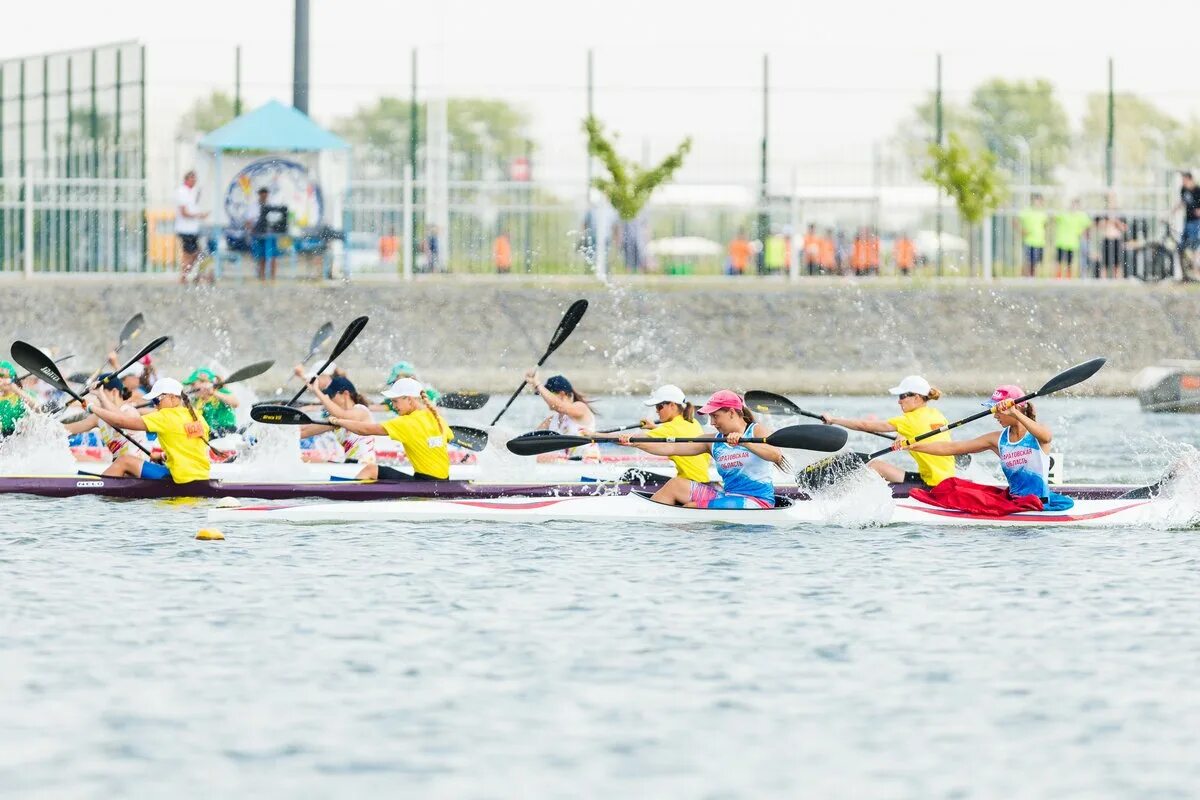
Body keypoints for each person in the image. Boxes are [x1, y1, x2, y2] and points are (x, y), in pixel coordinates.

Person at [900, 384, 1073, 511]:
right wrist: (912, 446)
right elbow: (952, 447)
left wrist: (1014, 412)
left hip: (1038, 503)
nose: (995, 415)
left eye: (997, 409)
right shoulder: (996, 439)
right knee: (952, 486)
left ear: (1017, 407)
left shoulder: (1037, 434)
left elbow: (1047, 437)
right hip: (1013, 502)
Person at [614, 390, 783, 508]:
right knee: (675, 485)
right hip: (728, 496)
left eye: (715, 416)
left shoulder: (756, 430)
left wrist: (745, 442)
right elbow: (670, 447)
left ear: (732, 412)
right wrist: (635, 442)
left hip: (757, 501)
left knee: (692, 507)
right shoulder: (712, 441)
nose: (712, 423)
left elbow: (776, 456)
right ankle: (647, 527)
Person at [820, 375, 954, 487]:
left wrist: (833, 420)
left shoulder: (908, 420)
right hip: (946, 480)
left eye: (902, 396)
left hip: (931, 485)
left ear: (916, 397)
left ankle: (846, 497)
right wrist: (901, 436)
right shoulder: (937, 415)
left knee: (874, 466)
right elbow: (913, 429)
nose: (899, 401)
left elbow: (864, 425)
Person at [84, 377, 211, 483]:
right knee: (131, 468)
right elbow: (190, 448)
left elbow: (120, 422)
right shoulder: (197, 416)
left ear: (172, 397)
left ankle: (96, 490)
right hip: (201, 476)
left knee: (124, 460)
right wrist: (163, 455)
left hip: (178, 478)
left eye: (156, 400)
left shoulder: (165, 416)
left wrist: (92, 407)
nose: (155, 405)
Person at [327, 377, 453, 480]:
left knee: (371, 470)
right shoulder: (437, 418)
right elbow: (448, 438)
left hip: (425, 485)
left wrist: (338, 421)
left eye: (395, 401)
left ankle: (346, 496)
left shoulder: (406, 422)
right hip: (442, 482)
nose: (393, 406)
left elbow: (365, 430)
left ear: (409, 399)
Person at [587, 384, 711, 482]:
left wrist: (594, 435)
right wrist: (653, 427)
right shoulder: (691, 421)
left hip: (691, 484)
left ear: (672, 406)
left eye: (659, 407)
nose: (657, 411)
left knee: (632, 475)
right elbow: (675, 433)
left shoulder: (670, 427)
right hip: (701, 480)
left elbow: (633, 439)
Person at [298, 376, 378, 480]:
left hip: (366, 469)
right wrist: (279, 429)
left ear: (345, 394)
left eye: (331, 395)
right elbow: (304, 431)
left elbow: (342, 415)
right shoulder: (336, 420)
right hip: (349, 467)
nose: (329, 400)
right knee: (302, 459)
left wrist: (317, 391)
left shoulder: (361, 411)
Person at [525, 371, 598, 460]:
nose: (544, 399)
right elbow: (530, 440)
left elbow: (560, 407)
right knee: (540, 458)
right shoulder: (551, 421)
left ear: (562, 394)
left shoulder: (580, 407)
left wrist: (537, 384)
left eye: (548, 394)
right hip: (567, 466)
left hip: (588, 464)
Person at [176, 170, 209, 285]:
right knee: (191, 253)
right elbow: (184, 212)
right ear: (186, 179)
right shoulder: (182, 192)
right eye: (192, 179)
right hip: (185, 228)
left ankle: (186, 275)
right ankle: (184, 276)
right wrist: (199, 215)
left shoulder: (192, 192)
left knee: (194, 253)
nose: (194, 181)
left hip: (192, 228)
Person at [184, 367, 239, 437]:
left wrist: (214, 392)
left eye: (193, 384)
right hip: (210, 436)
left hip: (228, 433)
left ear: (205, 383)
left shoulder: (221, 392)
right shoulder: (195, 401)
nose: (191, 388)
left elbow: (236, 403)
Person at [1053, 199, 1092, 279]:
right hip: (1061, 241)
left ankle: (1068, 277)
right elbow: (1054, 217)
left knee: (1069, 263)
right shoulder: (1064, 214)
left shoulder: (1081, 216)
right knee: (1059, 262)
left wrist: (1082, 232)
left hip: (1072, 243)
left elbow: (1089, 224)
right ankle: (1058, 278)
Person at [246, 187, 279, 281]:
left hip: (270, 233)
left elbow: (276, 220)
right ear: (259, 195)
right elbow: (248, 222)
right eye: (262, 194)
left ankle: (273, 278)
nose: (264, 196)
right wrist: (252, 228)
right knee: (262, 257)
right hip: (258, 234)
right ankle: (262, 277)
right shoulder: (253, 207)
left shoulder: (271, 206)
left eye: (266, 194)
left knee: (273, 256)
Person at [1172, 171, 1200, 274]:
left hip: (1196, 222)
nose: (1183, 182)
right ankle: (1185, 273)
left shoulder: (1198, 191)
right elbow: (1182, 202)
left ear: (1190, 179)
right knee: (1181, 246)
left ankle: (1196, 271)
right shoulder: (1183, 190)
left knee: (1194, 246)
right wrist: (1172, 212)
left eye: (1184, 180)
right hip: (1187, 221)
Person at [1096, 195, 1127, 279]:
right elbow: (1099, 226)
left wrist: (1116, 222)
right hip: (1106, 239)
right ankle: (1103, 281)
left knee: (1117, 264)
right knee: (1104, 263)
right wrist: (1108, 221)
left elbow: (1124, 228)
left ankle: (1118, 281)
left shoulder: (1120, 214)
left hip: (1116, 239)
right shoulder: (1103, 213)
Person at [1017, 194, 1048, 278]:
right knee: (1028, 261)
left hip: (1040, 241)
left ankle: (1033, 277)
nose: (1037, 203)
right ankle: (1026, 277)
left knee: (1036, 262)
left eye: (1039, 201)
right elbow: (1016, 221)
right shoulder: (1026, 211)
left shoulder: (1043, 212)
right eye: (1036, 200)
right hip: (1029, 240)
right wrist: (1022, 231)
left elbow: (1046, 224)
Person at [0, 360, 32, 435]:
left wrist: (15, 389)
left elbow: (38, 408)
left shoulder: (23, 394)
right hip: (6, 438)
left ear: (11, 378)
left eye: (2, 377)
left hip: (24, 434)